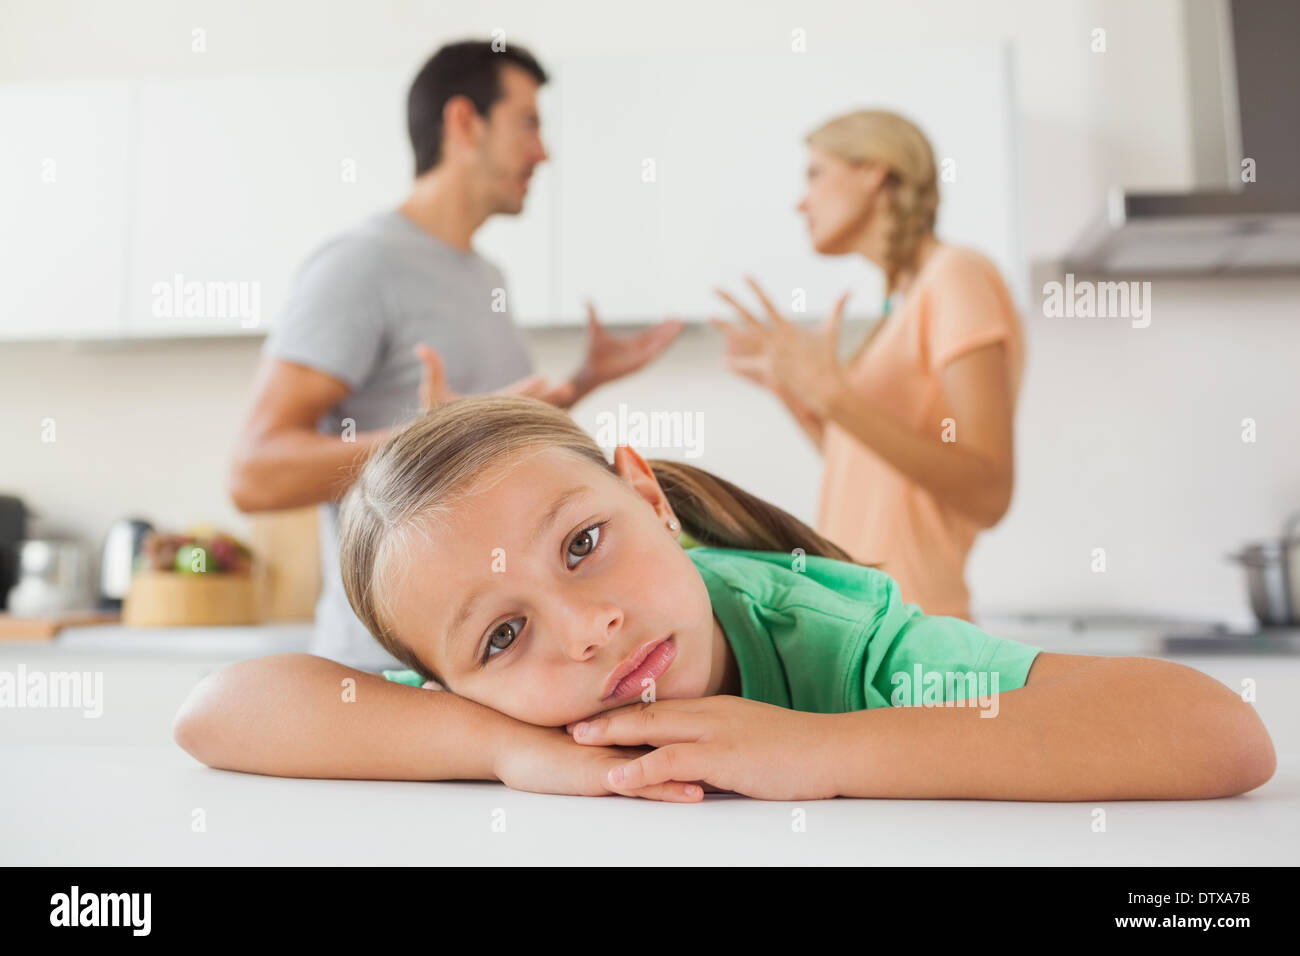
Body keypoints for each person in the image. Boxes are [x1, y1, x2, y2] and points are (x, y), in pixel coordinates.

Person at [175, 396, 1275, 802]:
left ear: (650, 498)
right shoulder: (519, 712)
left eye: (585, 542)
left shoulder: (842, 640)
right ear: (454, 678)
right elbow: (216, 708)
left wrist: (821, 750)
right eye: (502, 635)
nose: (586, 626)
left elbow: (1218, 734)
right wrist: (501, 749)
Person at [228, 40, 683, 671]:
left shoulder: (484, 276)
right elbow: (254, 474)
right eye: (528, 122)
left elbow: (489, 446)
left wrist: (580, 383)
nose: (543, 151)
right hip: (388, 672)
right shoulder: (361, 266)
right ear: (465, 122)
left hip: (497, 663)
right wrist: (433, 437)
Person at [710, 110, 1021, 621]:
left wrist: (836, 398)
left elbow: (990, 491)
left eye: (815, 173)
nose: (800, 201)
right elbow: (868, 465)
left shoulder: (957, 275)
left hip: (918, 627)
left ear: (875, 170)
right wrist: (795, 392)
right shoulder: (902, 301)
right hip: (869, 620)